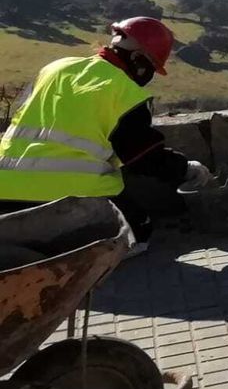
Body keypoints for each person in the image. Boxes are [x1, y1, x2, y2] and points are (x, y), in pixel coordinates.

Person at [0, 17, 210, 250]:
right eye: (151, 66)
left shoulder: (55, 68)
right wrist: (186, 169)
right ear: (138, 60)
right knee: (138, 234)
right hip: (69, 200)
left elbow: (21, 114)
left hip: (4, 194)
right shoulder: (125, 93)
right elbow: (143, 158)